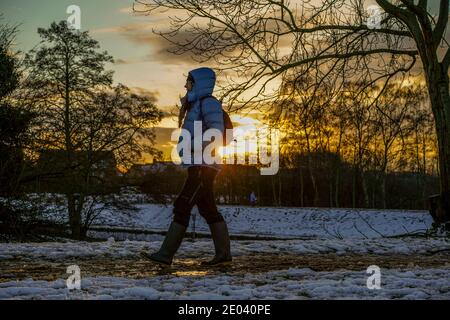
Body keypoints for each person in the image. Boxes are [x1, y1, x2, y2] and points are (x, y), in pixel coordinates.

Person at [142, 67, 232, 267]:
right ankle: (223, 255)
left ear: (198, 83)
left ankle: (165, 255)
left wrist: (191, 146)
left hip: (203, 166)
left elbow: (215, 133)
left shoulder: (208, 103)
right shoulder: (197, 104)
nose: (185, 85)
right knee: (208, 208)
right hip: (199, 165)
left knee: (182, 206)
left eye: (189, 82)